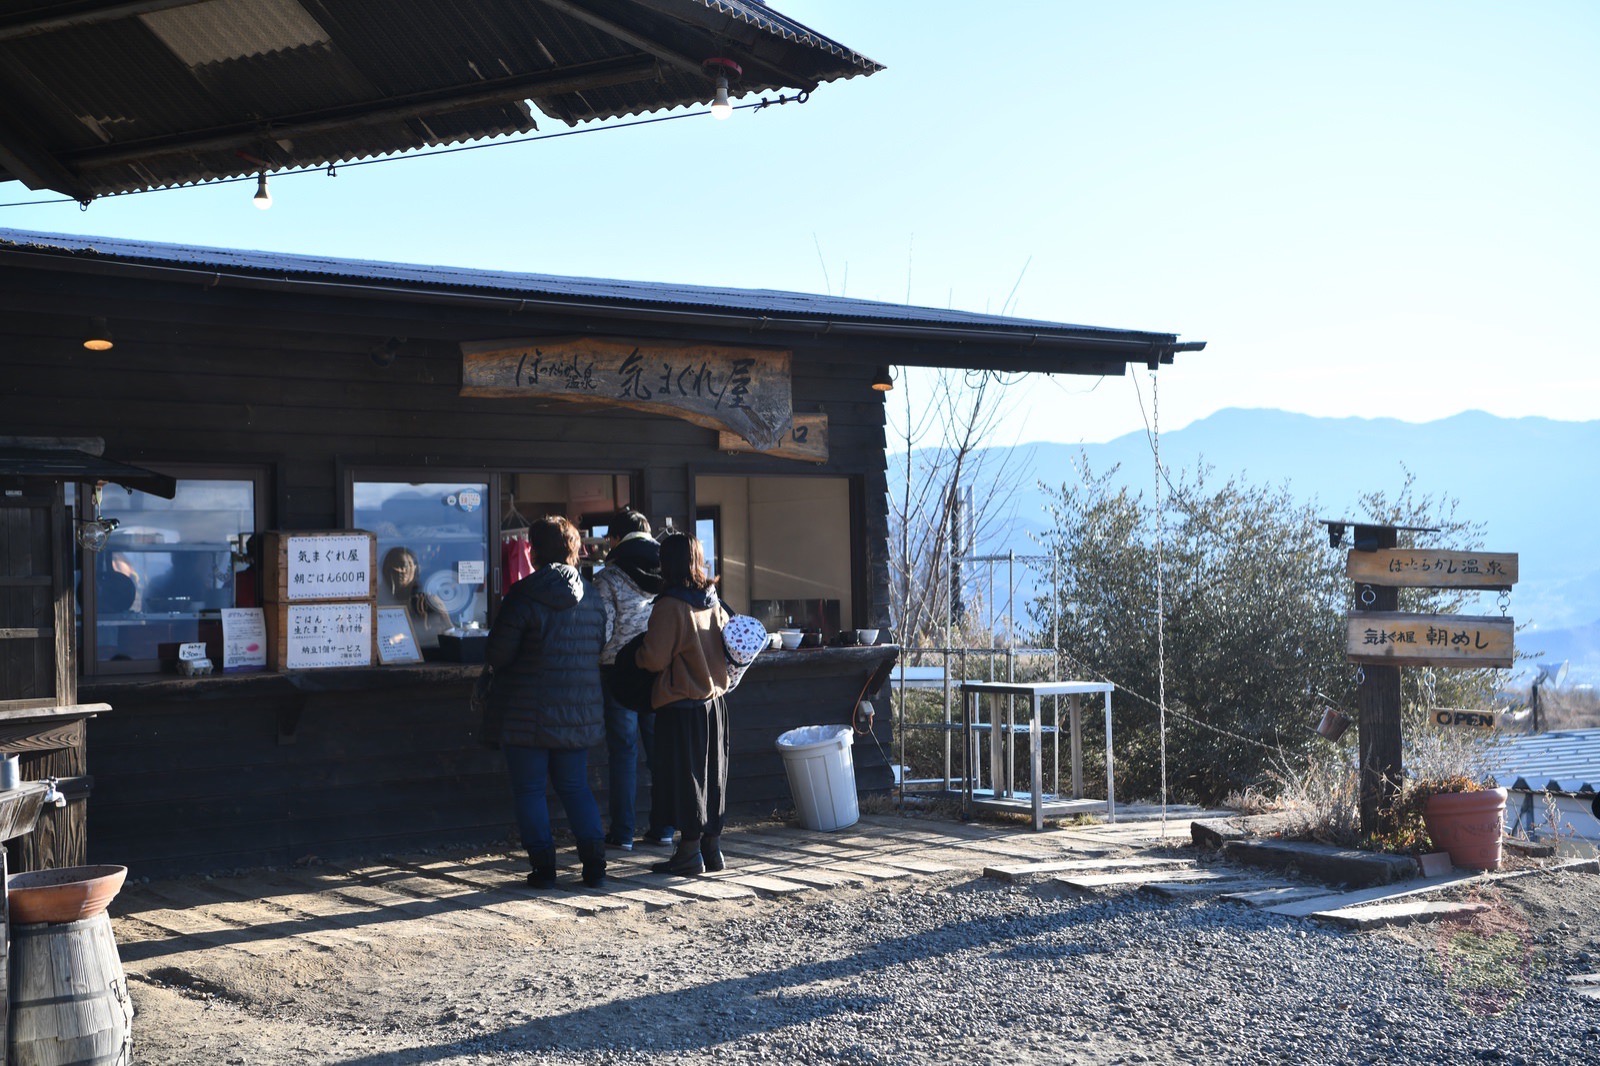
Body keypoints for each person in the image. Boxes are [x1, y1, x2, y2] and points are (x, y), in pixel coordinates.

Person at [483, 516, 611, 889]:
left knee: (529, 790)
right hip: (578, 711)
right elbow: (597, 646)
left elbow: (499, 653)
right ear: (574, 550)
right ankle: (595, 867)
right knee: (575, 787)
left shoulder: (523, 594)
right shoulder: (592, 597)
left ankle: (543, 870)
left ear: (532, 550)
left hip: (526, 712)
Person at [635, 531, 732, 876]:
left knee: (685, 779)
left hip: (681, 703)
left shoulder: (670, 605)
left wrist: (635, 655)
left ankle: (689, 853)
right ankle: (712, 848)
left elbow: (654, 658)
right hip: (715, 704)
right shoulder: (712, 600)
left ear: (667, 564)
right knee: (712, 777)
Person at [594, 507, 673, 851]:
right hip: (659, 670)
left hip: (619, 675)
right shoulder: (670, 570)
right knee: (661, 752)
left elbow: (605, 630)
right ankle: (665, 829)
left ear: (614, 539)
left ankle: (623, 833)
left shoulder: (607, 578)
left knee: (624, 753)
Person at [379, 546, 453, 647]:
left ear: (415, 568)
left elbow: (449, 631)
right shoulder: (379, 600)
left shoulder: (428, 601)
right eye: (395, 565)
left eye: (405, 566)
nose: (400, 571)